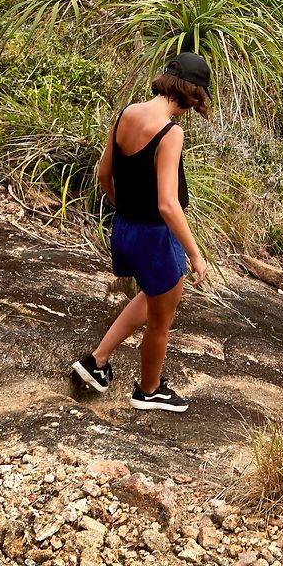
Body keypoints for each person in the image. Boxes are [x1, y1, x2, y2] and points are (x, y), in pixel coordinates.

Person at [71, 52, 211, 413]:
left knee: (151, 297)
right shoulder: (170, 132)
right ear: (192, 93)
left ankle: (96, 361)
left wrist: (125, 210)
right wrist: (194, 252)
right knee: (162, 320)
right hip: (155, 237)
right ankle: (148, 391)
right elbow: (168, 203)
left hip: (126, 229)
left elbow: (104, 175)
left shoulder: (127, 114)